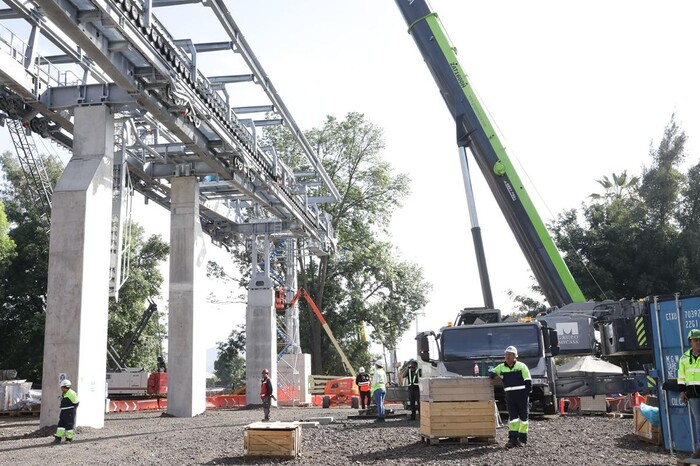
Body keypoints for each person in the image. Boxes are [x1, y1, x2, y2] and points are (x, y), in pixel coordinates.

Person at [489, 346, 531, 448]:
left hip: (521, 396)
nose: (507, 356)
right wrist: (495, 376)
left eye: (510, 354)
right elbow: (490, 372)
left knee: (523, 418)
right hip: (510, 397)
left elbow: (528, 381)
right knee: (513, 419)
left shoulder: (522, 366)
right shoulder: (501, 367)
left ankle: (522, 439)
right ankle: (512, 440)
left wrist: (526, 394)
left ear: (515, 356)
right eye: (506, 354)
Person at [678, 329, 700, 458]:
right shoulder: (684, 358)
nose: (698, 343)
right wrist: (682, 391)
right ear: (690, 342)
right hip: (692, 393)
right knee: (698, 421)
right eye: (695, 340)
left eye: (699, 340)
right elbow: (681, 376)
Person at [53, 379, 79, 444]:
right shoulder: (64, 393)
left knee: (69, 425)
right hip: (64, 411)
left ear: (65, 387)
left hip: (69, 412)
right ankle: (58, 439)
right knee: (60, 425)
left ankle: (69, 439)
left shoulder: (72, 393)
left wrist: (72, 411)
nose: (61, 389)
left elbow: (76, 403)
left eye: (62, 387)